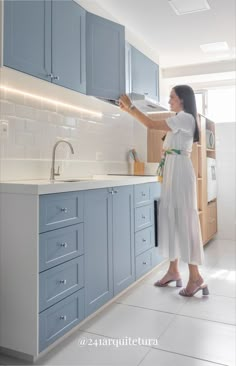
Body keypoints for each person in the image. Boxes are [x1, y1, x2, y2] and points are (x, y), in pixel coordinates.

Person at [119, 85, 209, 297]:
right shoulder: (180, 119)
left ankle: (195, 277)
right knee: (171, 218)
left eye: (172, 97)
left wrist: (131, 107)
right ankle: (173, 270)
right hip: (172, 171)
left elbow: (150, 124)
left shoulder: (186, 117)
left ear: (183, 100)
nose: (169, 101)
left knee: (184, 221)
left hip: (179, 172)